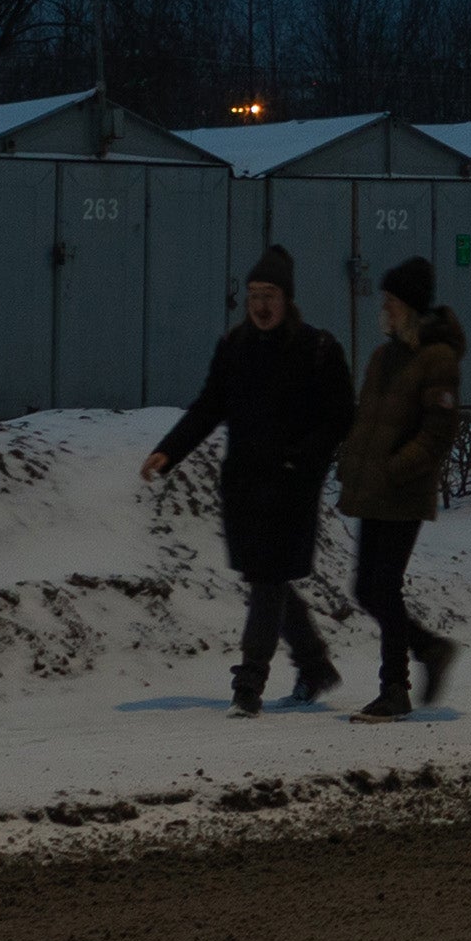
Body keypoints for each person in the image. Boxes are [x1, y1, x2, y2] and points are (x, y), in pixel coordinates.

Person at [149, 244, 350, 710]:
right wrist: (168, 451)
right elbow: (208, 407)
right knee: (268, 580)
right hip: (243, 485)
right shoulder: (234, 347)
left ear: (287, 299)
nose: (261, 305)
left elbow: (340, 417)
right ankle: (315, 663)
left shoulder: (318, 349)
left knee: (268, 579)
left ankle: (248, 683)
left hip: (293, 484)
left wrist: (302, 461)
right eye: (254, 294)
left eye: (271, 294)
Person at [331, 257, 466, 721]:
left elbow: (437, 433)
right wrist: (353, 462)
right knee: (367, 590)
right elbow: (366, 420)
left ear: (408, 306)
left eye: (390, 301)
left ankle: (395, 689)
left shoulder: (438, 359)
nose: (383, 308)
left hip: (403, 491)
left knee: (382, 587)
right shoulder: (384, 356)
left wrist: (393, 468)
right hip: (376, 490)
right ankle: (429, 648)